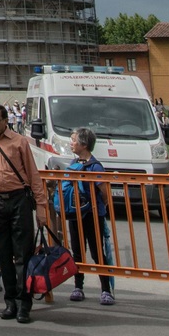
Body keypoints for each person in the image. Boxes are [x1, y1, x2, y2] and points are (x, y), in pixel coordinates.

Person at [0, 103, 52, 323]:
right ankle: (10, 301)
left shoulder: (19, 142)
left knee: (23, 253)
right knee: (3, 253)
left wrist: (41, 208)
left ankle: (25, 302)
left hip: (19, 201)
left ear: (6, 121)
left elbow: (33, 176)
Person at [65, 127, 116, 306]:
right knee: (77, 251)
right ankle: (78, 286)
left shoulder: (96, 166)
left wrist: (99, 207)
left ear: (84, 144)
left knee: (97, 252)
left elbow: (104, 192)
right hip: (75, 214)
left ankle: (105, 289)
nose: (71, 143)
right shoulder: (72, 164)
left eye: (74, 140)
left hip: (93, 215)